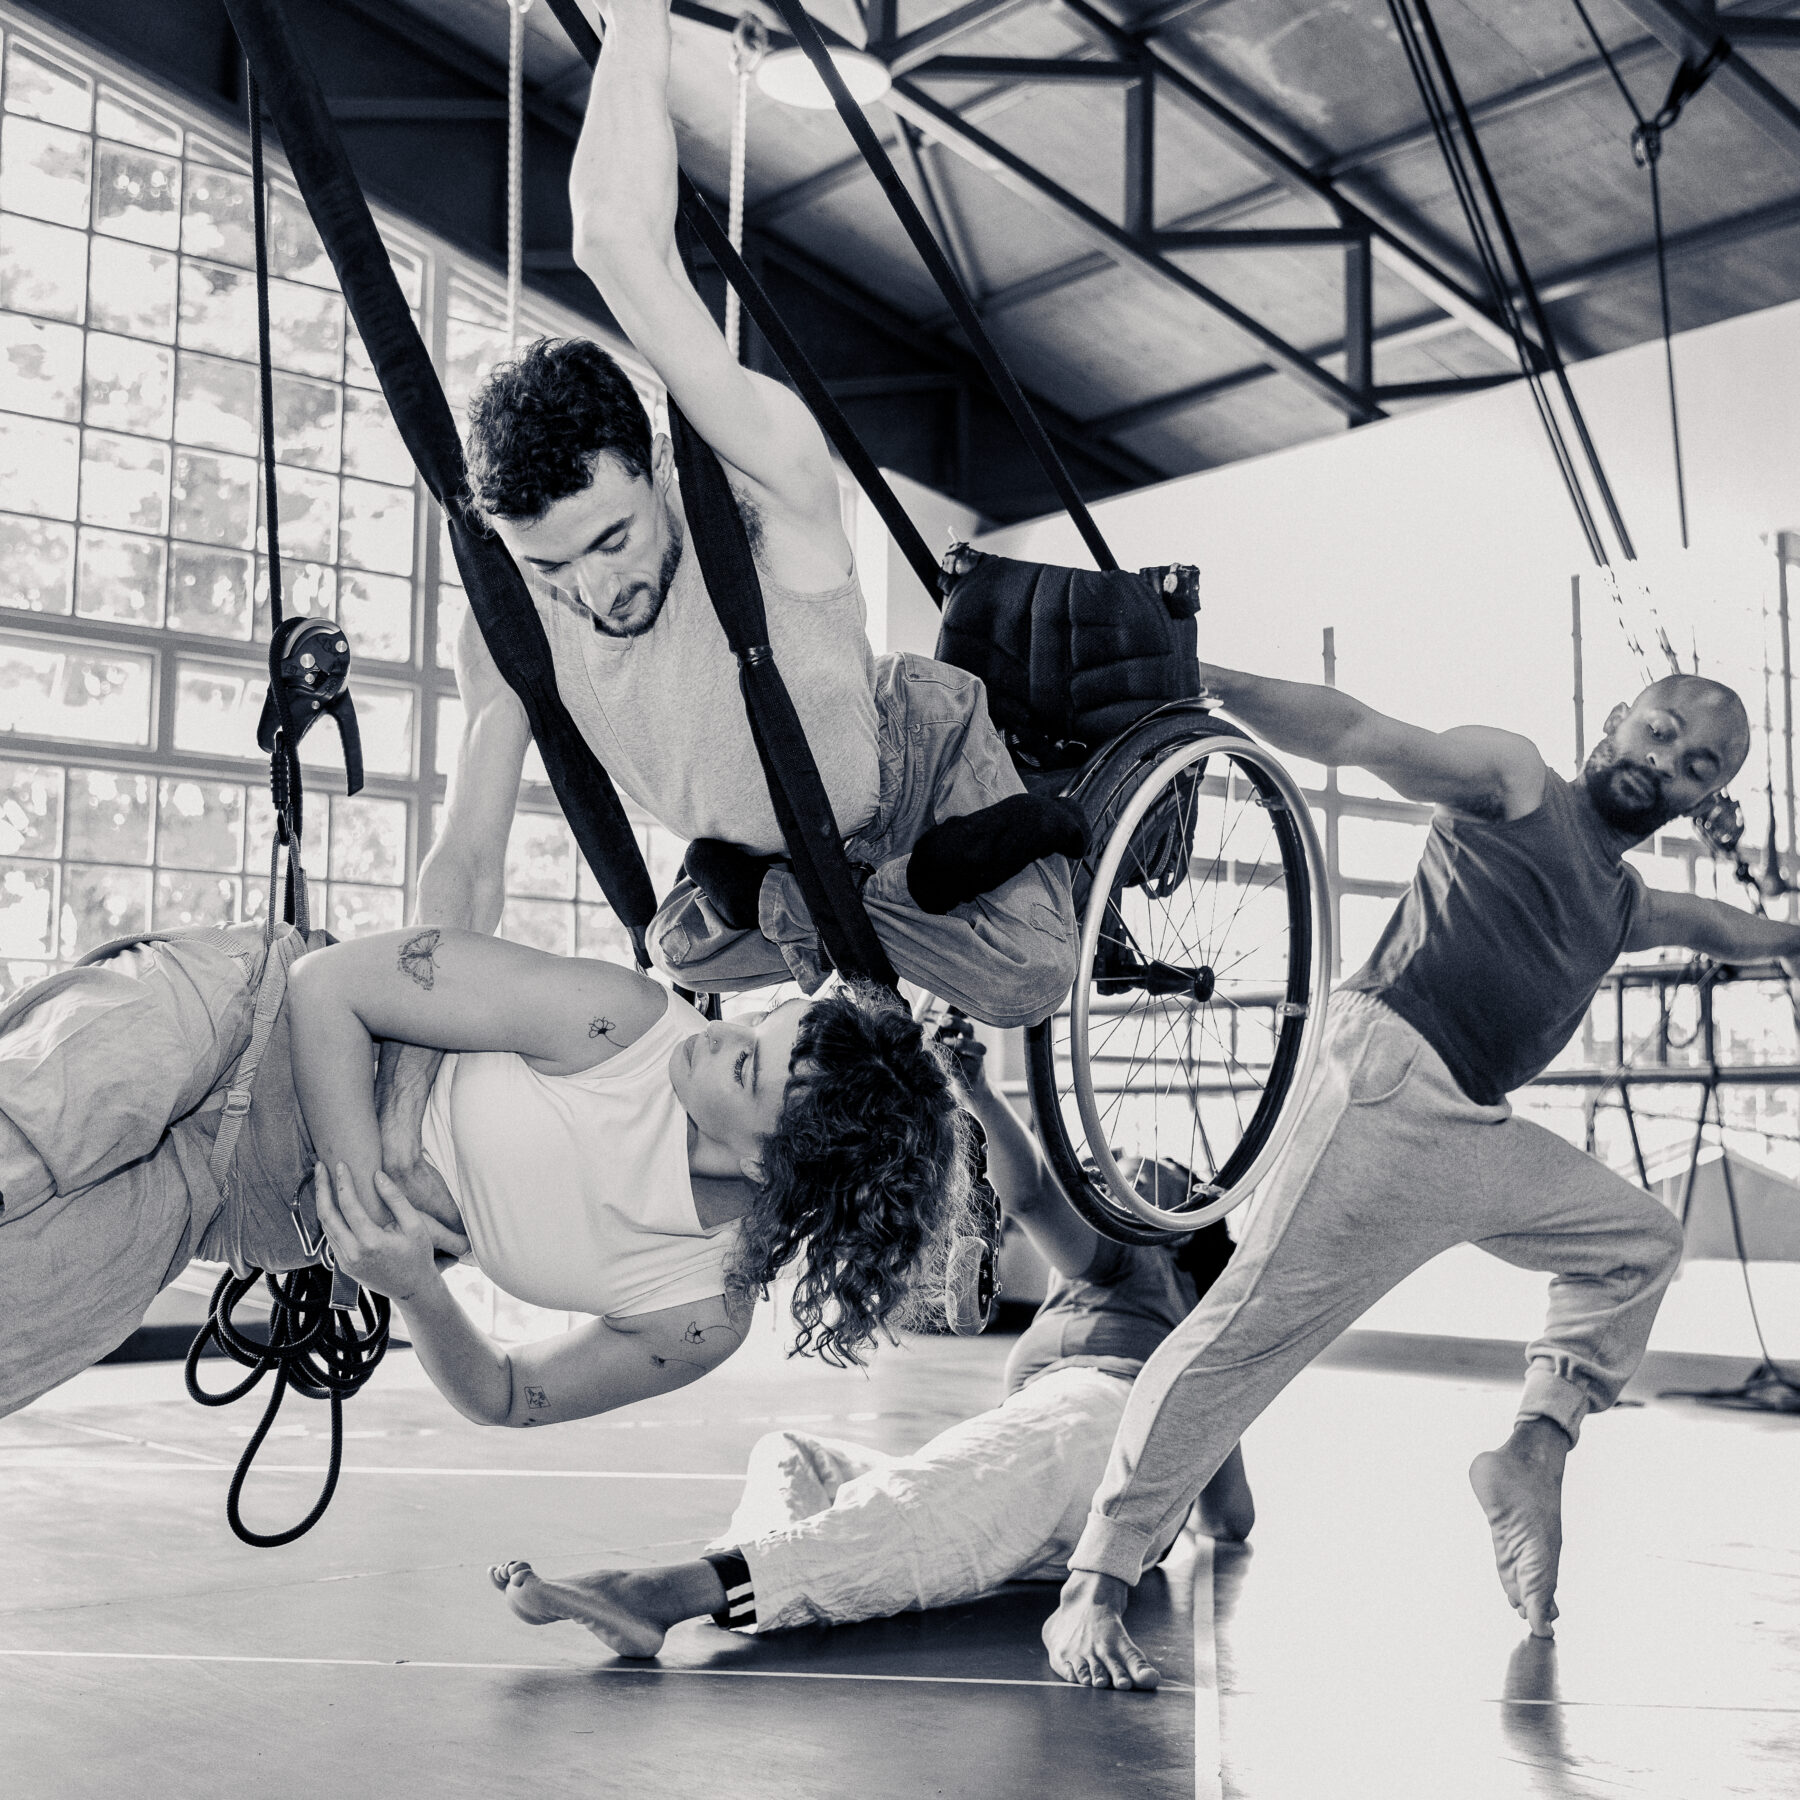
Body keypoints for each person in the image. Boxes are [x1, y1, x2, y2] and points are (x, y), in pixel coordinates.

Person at [1038, 667, 1800, 1689]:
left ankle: (1533, 1452)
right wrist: (1204, 680)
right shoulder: (1517, 780)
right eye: (1658, 733)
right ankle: (1097, 1580)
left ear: (1699, 801)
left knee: (1639, 1242)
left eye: (1693, 766)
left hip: (1477, 1131)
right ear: (1617, 722)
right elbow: (1359, 732)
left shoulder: (1618, 901)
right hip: (1387, 1085)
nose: (1663, 762)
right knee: (1243, 1338)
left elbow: (1720, 927)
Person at [416, 0, 1080, 1042]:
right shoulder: (507, 616)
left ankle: (913, 880)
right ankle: (834, 909)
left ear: (654, 465)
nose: (593, 589)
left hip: (904, 775)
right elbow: (467, 856)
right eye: (553, 567)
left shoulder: (755, 482)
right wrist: (417, 1028)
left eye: (612, 538)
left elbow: (618, 246)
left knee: (1029, 976)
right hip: (769, 862)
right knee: (670, 952)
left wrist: (633, 23)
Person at [484, 1019, 1253, 1652]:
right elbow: (1230, 1520)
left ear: (1180, 1232)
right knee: (796, 1457)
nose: (1110, 1168)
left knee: (928, 1496)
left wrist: (976, 1093)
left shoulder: (1138, 1264)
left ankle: (666, 1590)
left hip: (1091, 1427)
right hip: (1068, 1489)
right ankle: (768, 1574)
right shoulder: (1166, 1334)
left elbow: (1029, 1195)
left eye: (1135, 1168)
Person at [0, 920, 967, 1423]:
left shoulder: (698, 1313)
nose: (723, 1038)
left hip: (230, 1204)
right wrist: (370, 1191)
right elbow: (326, 988)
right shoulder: (620, 1023)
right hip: (231, 1021)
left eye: (747, 1066)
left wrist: (413, 1286)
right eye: (756, 1027)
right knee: (24, 1141)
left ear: (773, 1163)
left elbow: (508, 1396)